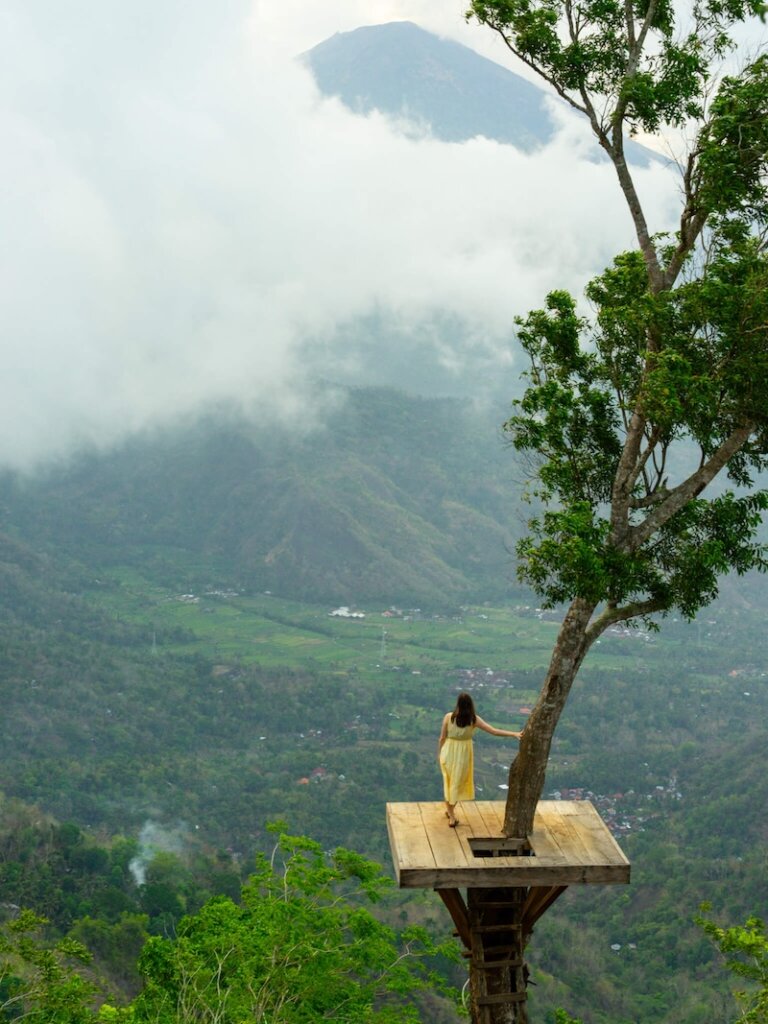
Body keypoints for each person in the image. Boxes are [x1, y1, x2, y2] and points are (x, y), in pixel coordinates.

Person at [438, 692, 522, 827]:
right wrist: (513, 734)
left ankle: (449, 811)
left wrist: (440, 753)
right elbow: (494, 731)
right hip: (462, 755)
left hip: (447, 752)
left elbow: (442, 737)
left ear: (458, 704)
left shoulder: (449, 717)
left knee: (449, 782)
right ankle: (452, 816)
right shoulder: (473, 719)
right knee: (455, 784)